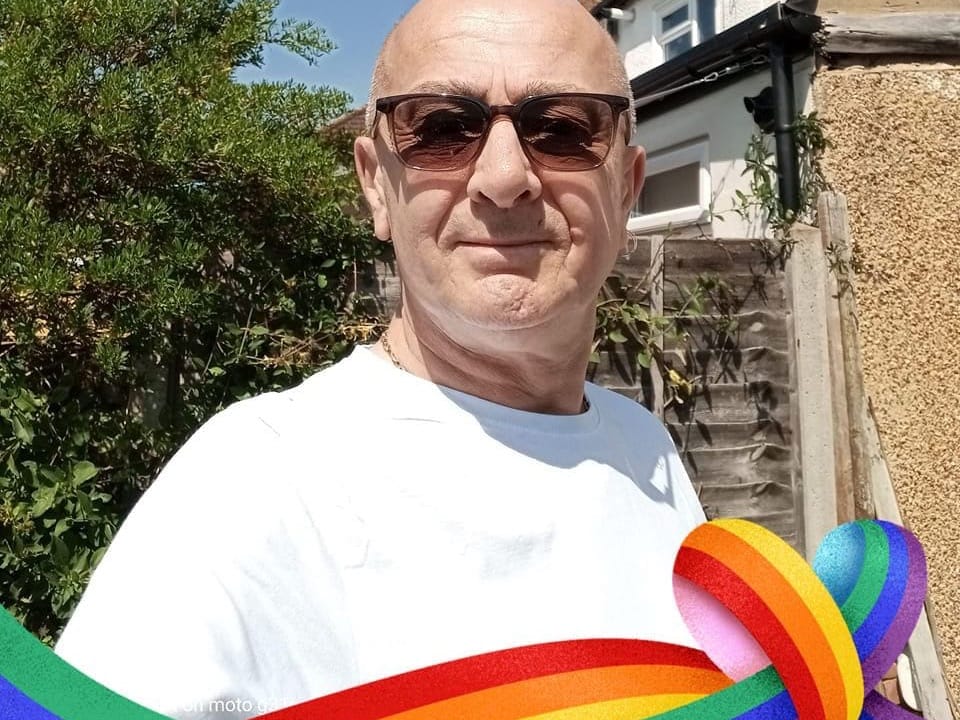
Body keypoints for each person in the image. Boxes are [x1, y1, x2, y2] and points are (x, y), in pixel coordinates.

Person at [55, 0, 706, 717]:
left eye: (562, 128)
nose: (503, 176)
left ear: (628, 185)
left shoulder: (644, 447)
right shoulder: (257, 479)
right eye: (439, 128)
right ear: (375, 184)